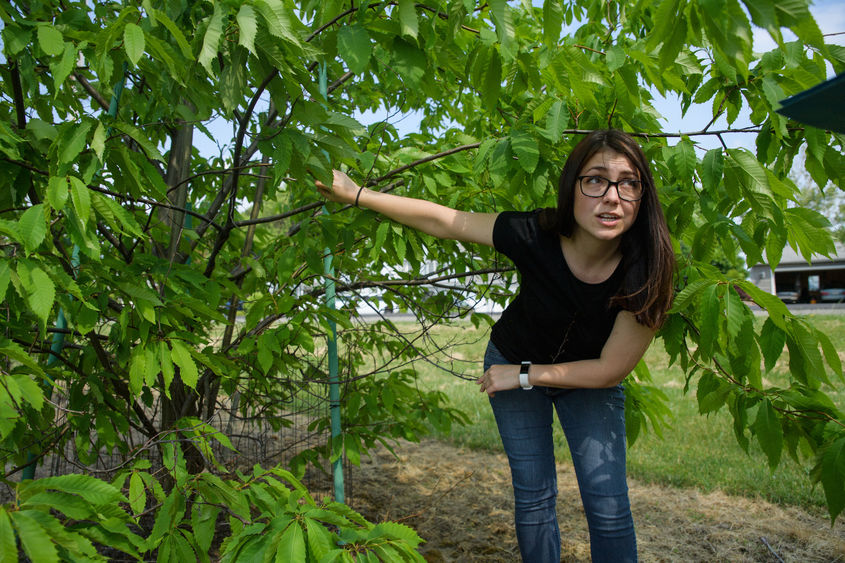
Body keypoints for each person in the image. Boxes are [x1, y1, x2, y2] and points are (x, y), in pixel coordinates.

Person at [316, 129, 675, 562]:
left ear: (642, 195)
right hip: (514, 356)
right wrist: (359, 195)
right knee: (535, 496)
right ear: (572, 188)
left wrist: (525, 375)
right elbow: (448, 221)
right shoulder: (536, 232)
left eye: (628, 183)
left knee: (609, 505)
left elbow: (610, 369)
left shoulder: (649, 266)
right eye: (595, 179)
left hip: (580, 378)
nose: (612, 196)